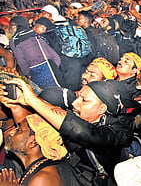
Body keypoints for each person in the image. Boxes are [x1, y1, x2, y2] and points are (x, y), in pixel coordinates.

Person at [1, 78, 134, 185]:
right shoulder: (79, 116)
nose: (75, 103)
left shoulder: (118, 133)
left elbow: (84, 133)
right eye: (78, 97)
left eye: (84, 100)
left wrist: (33, 101)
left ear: (101, 109)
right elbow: (33, 126)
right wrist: (16, 105)